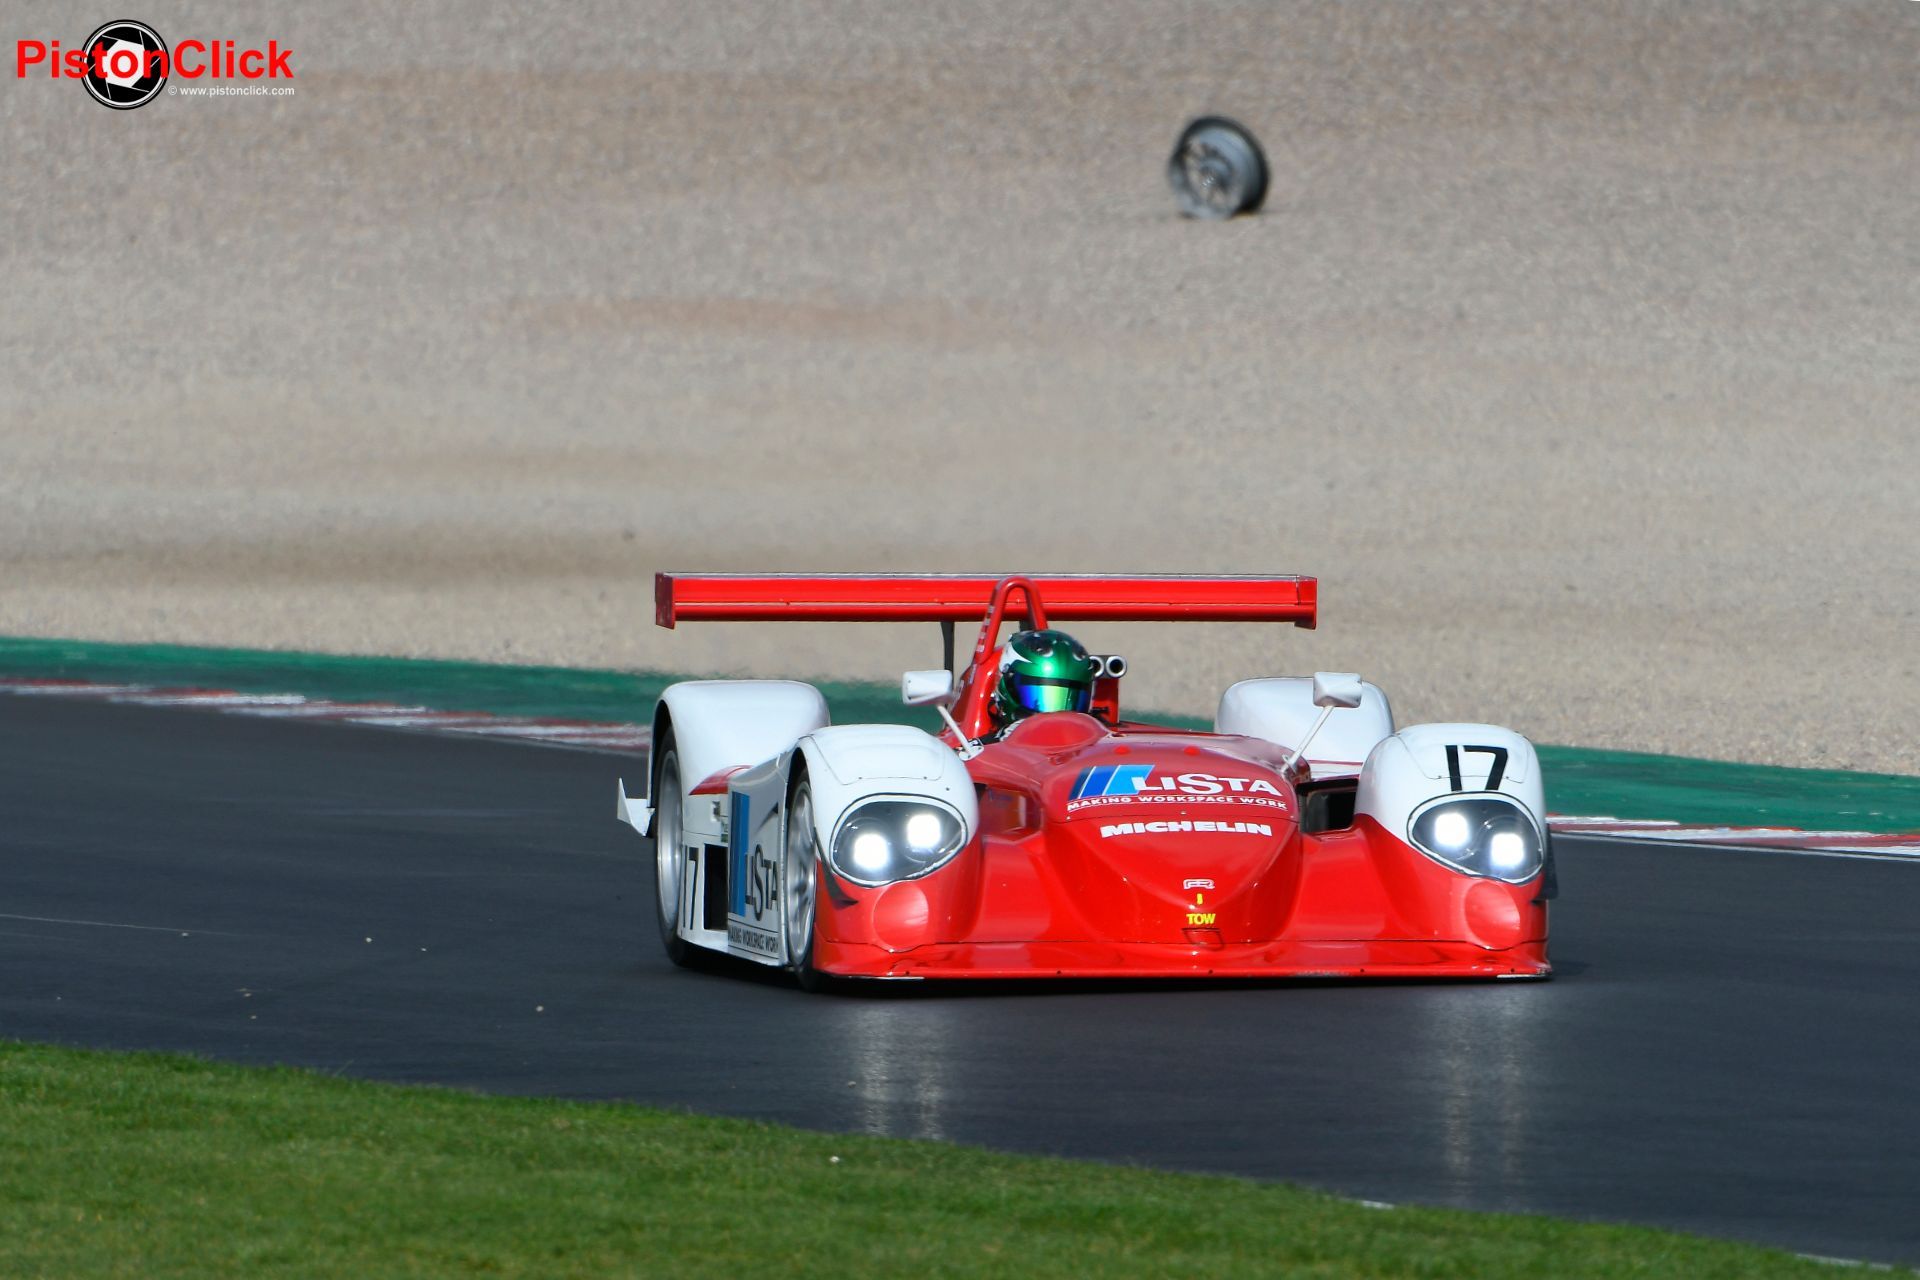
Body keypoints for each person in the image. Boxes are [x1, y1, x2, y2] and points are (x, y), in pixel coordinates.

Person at [988, 629, 1100, 732]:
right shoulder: (982, 750)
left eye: (1076, 701)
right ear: (1006, 687)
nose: (1056, 720)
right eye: (1037, 697)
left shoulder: (1098, 744)